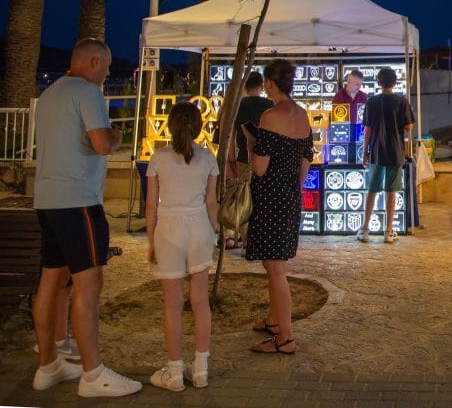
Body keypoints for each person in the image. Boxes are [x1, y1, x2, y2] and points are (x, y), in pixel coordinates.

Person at [31, 38, 142, 397]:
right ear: (94, 61)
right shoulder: (88, 92)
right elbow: (102, 143)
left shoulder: (50, 94)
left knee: (50, 281)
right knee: (88, 283)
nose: (107, 74)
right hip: (78, 201)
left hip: (47, 199)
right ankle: (93, 374)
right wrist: (117, 135)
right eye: (106, 68)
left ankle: (48, 365)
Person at [145, 102, 219, 391]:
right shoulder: (207, 158)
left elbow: (151, 206)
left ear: (171, 126)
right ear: (198, 127)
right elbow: (211, 202)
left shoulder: (158, 158)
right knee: (200, 301)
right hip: (199, 227)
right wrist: (212, 235)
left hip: (168, 230)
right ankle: (201, 370)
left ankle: (175, 372)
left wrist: (151, 240)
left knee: (172, 304)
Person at [243, 59, 313, 354]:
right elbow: (306, 159)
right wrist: (295, 187)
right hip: (290, 195)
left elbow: (259, 167)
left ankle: (286, 338)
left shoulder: (270, 117)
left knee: (275, 269)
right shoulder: (302, 115)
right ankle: (274, 320)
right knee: (275, 264)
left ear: (270, 83)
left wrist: (251, 144)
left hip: (270, 196)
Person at [358, 66, 415, 243]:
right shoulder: (402, 101)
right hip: (395, 151)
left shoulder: (371, 102)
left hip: (376, 151)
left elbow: (367, 130)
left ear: (378, 82)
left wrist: (365, 152)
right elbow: (409, 127)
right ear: (395, 83)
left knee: (372, 190)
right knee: (391, 191)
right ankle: (388, 231)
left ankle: (365, 230)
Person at [224, 71, 274, 248]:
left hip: (243, 159)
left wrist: (231, 159)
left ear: (244, 87)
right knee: (261, 199)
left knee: (243, 198)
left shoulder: (237, 106)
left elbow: (231, 136)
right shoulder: (270, 105)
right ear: (262, 87)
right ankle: (256, 237)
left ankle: (243, 236)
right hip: (266, 160)